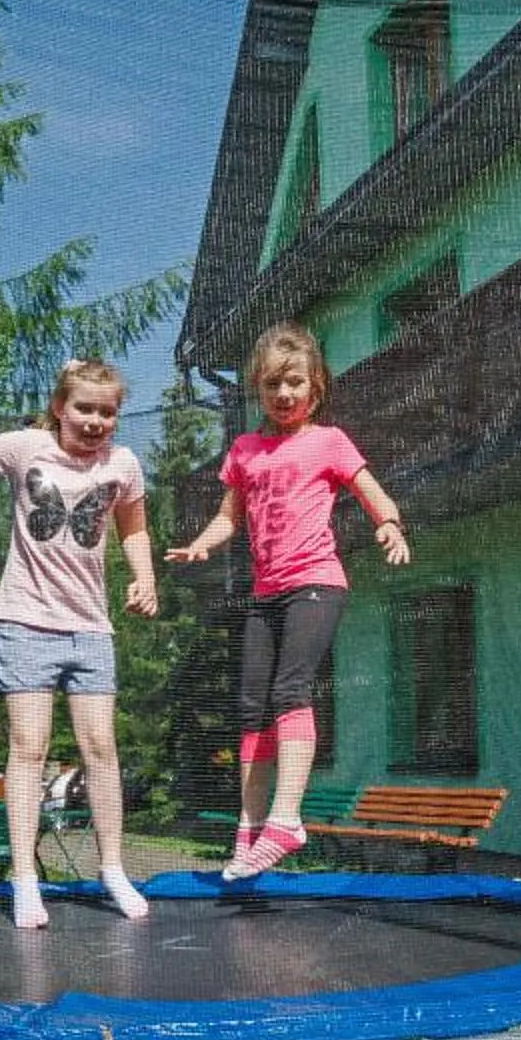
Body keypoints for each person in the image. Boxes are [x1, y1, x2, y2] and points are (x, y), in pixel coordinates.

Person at [165, 321, 410, 879]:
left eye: (295, 383)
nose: (284, 395)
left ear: (315, 386)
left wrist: (390, 526)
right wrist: (202, 545)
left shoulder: (328, 442)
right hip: (266, 592)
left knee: (289, 690)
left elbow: (373, 493)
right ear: (259, 388)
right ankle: (249, 832)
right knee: (252, 708)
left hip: (316, 581)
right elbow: (229, 516)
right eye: (273, 385)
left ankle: (286, 821)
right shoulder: (246, 450)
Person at [0, 359, 157, 930]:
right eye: (84, 408)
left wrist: (144, 577)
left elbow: (134, 527)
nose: (96, 421)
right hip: (25, 622)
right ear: (60, 407)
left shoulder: (122, 464)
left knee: (100, 747)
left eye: (108, 412)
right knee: (28, 747)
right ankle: (26, 880)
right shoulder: (24, 447)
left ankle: (112, 868)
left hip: (88, 628)